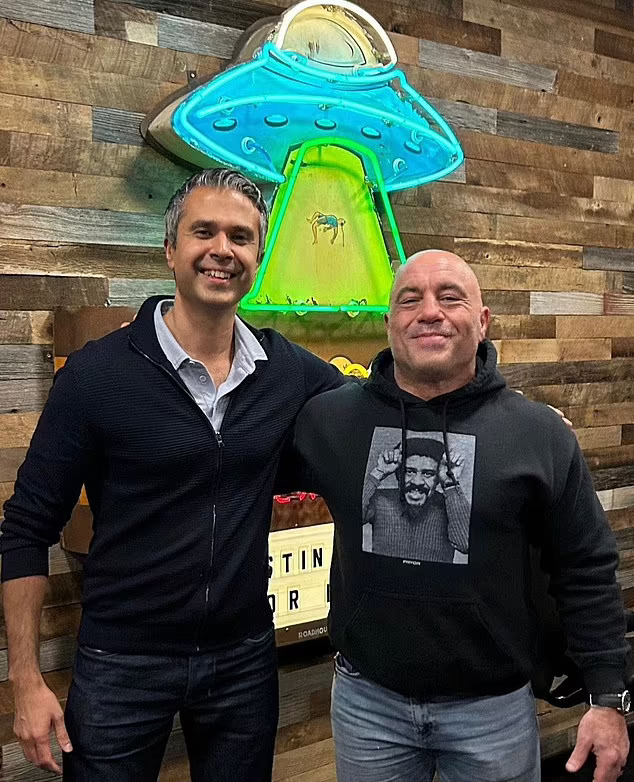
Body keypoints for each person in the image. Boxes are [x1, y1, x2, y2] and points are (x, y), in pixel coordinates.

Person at [0, 168, 344, 781]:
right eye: (203, 232)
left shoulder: (287, 371)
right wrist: (25, 678)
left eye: (240, 237)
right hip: (121, 662)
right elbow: (26, 529)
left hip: (241, 660)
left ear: (258, 256)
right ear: (170, 249)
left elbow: (376, 404)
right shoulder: (97, 375)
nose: (222, 250)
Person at [288, 250, 630, 782]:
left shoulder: (536, 433)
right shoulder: (330, 421)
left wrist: (608, 696)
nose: (430, 311)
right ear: (389, 323)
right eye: (410, 300)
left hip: (492, 712)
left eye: (450, 297)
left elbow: (585, 566)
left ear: (483, 321)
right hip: (367, 705)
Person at [362, 434, 470, 562]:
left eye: (428, 474)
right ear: (398, 474)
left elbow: (465, 544)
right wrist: (378, 472)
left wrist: (450, 482)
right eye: (409, 471)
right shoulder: (380, 500)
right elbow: (349, 521)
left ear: (438, 479)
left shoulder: (450, 505)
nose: (417, 482)